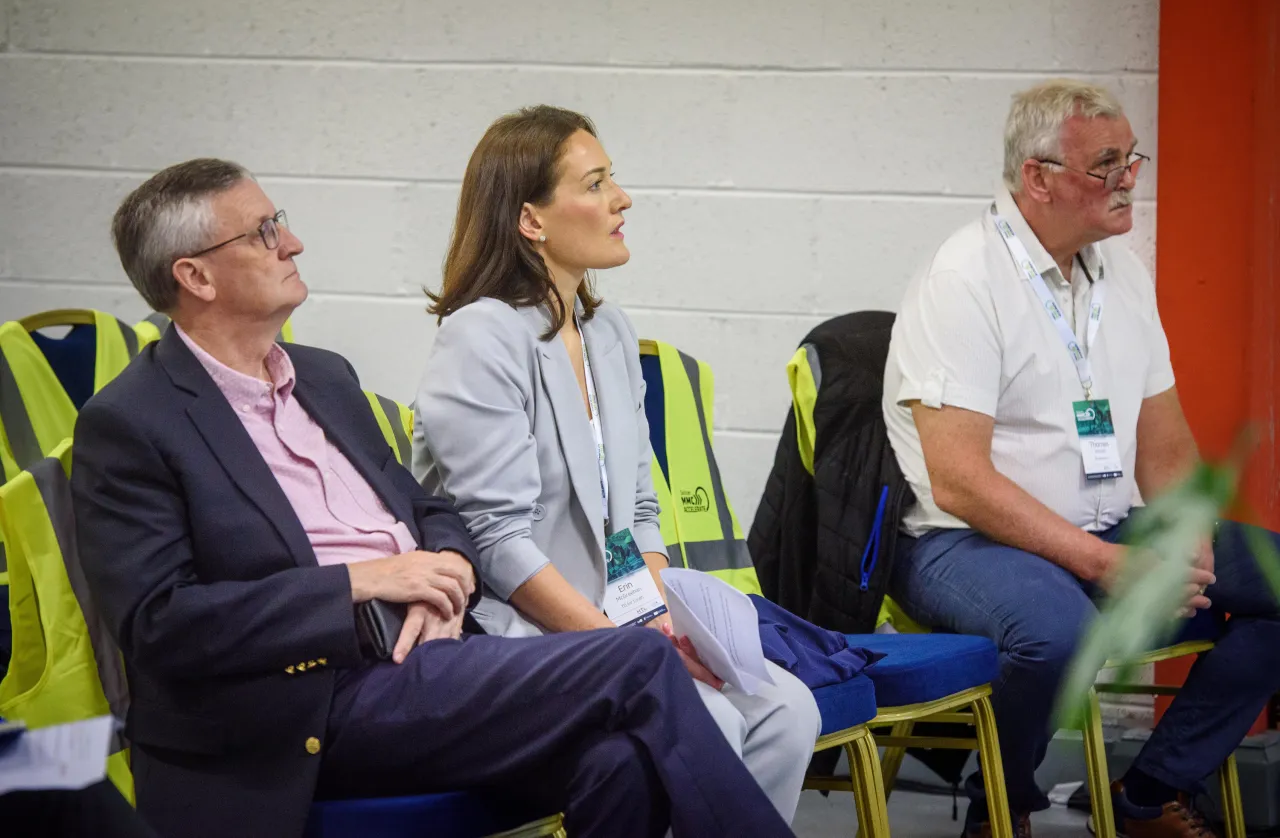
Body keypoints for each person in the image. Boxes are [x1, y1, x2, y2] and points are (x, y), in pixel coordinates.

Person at [70, 158, 798, 838]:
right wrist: (363, 583)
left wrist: (438, 573)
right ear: (195, 276)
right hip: (306, 704)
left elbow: (432, 512)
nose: (291, 241)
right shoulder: (132, 423)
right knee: (637, 663)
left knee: (622, 757)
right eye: (263, 231)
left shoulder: (323, 377)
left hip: (430, 654)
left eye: (279, 220)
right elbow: (161, 626)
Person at [882, 78, 1280, 838]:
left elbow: (1163, 440)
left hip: (1104, 525)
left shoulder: (1120, 274)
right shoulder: (964, 278)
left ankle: (1145, 794)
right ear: (1038, 177)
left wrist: (1188, 534)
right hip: (964, 541)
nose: (1130, 178)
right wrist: (1105, 566)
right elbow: (959, 481)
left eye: (1132, 158)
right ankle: (1004, 807)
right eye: (1105, 165)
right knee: (1055, 632)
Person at [413, 105, 822, 824]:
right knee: (712, 726)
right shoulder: (480, 335)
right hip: (517, 632)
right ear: (531, 221)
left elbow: (636, 514)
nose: (622, 199)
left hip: (620, 618)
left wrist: (666, 623)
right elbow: (500, 545)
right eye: (596, 183)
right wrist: (634, 654)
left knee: (789, 710)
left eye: (614, 179)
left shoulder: (607, 330)